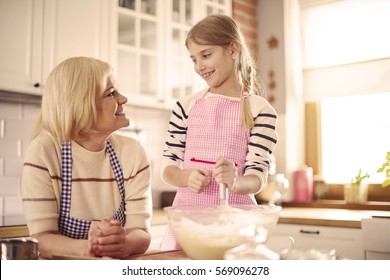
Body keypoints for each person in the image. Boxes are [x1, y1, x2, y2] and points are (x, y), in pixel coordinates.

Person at [160, 14, 278, 250]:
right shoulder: (185, 106)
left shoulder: (259, 110)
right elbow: (168, 169)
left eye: (206, 55)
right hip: (188, 223)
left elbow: (258, 177)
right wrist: (186, 177)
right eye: (194, 59)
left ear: (233, 50)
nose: (199, 66)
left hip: (236, 225)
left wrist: (235, 182)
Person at [21, 57, 152, 259]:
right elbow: (41, 239)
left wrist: (123, 244)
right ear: (80, 104)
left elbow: (141, 232)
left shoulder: (132, 153)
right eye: (111, 93)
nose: (123, 99)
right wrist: (89, 248)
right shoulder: (44, 151)